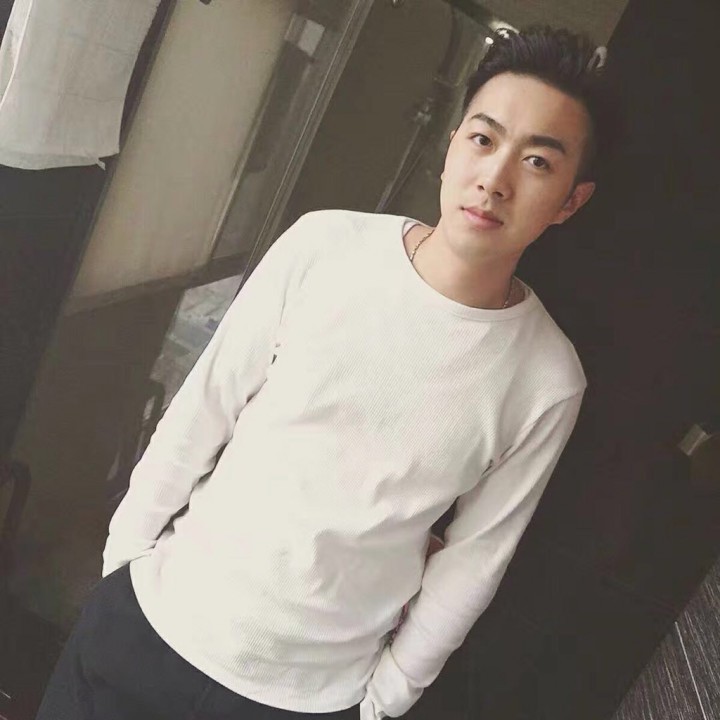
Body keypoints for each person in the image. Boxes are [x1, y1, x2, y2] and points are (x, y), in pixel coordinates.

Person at [37, 25, 621, 720]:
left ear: (570, 200)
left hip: (308, 699)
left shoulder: (548, 379)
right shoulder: (324, 247)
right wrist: (126, 564)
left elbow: (475, 558)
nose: (494, 180)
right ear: (450, 145)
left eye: (538, 162)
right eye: (483, 139)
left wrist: (386, 699)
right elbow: (204, 407)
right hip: (151, 623)